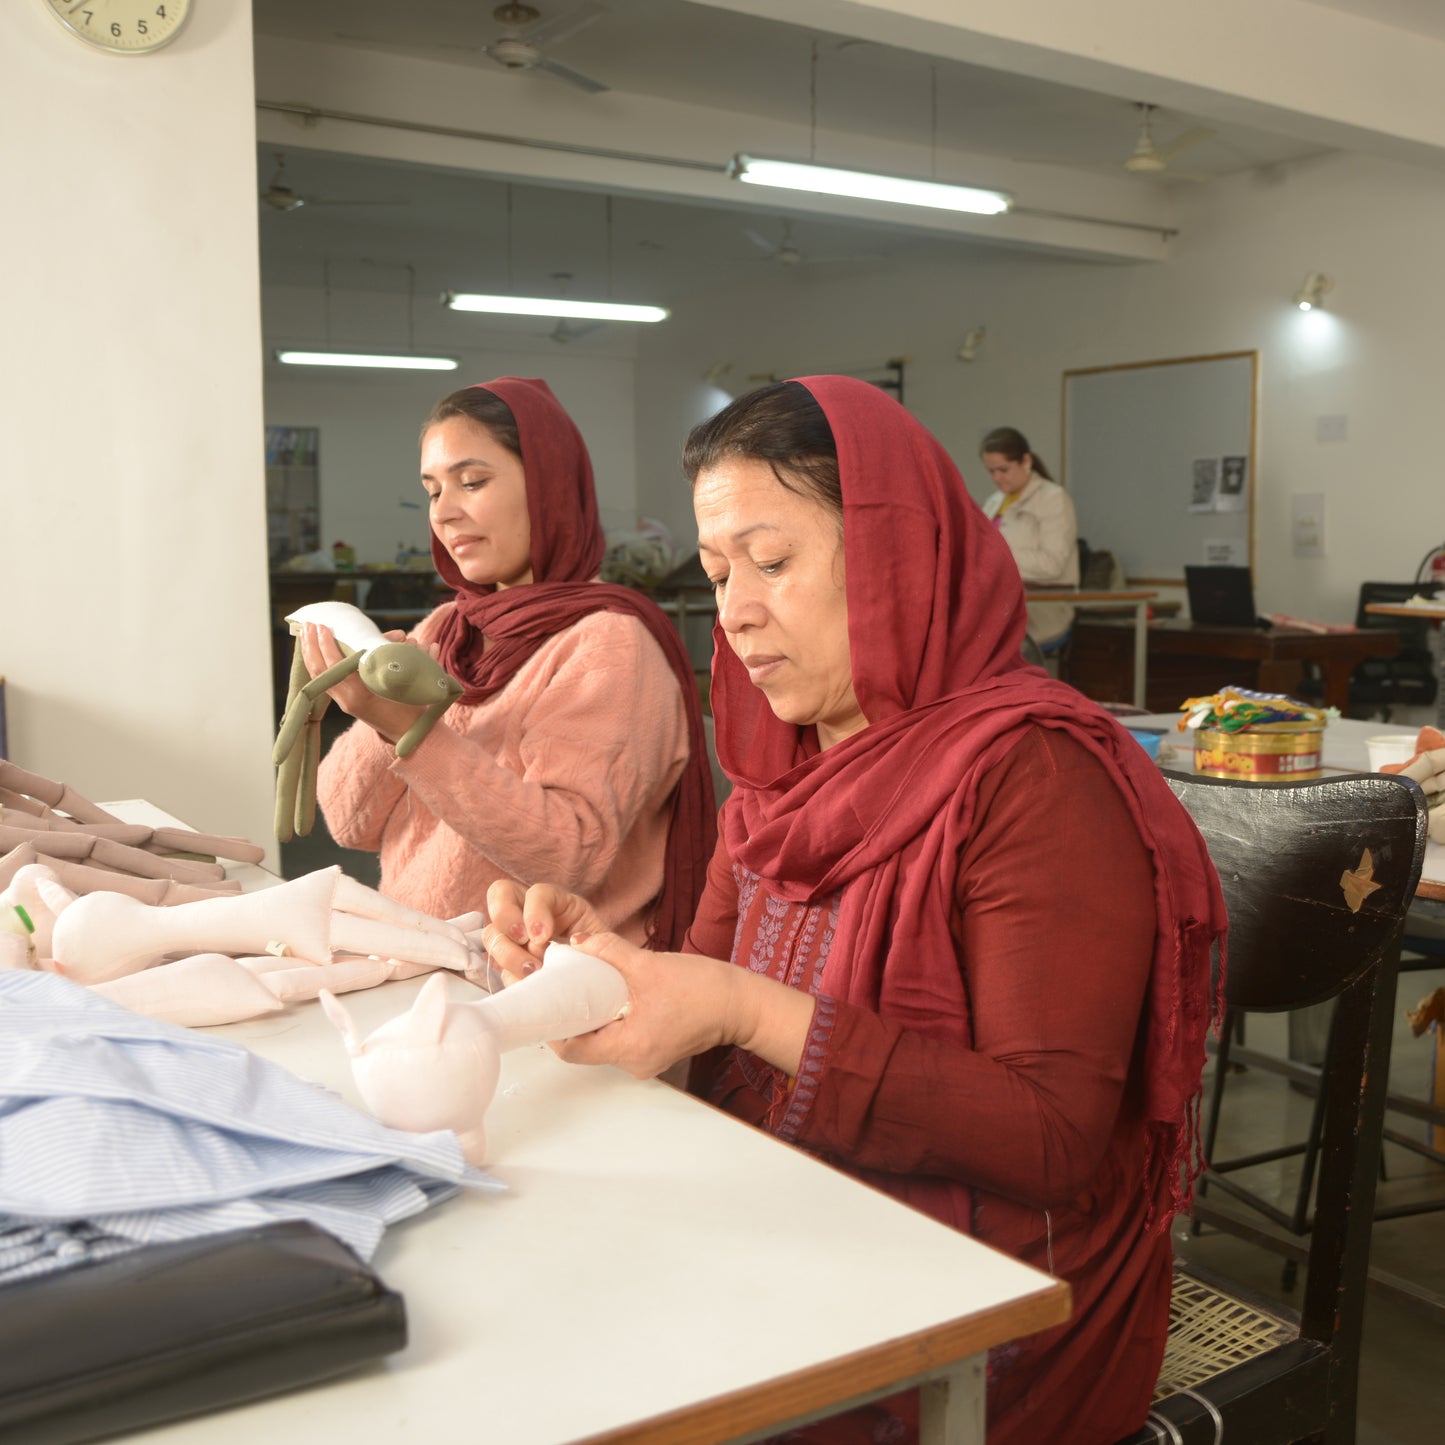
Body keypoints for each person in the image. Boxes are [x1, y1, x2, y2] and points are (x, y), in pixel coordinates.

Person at [482, 378, 1226, 1445]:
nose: (734, 610)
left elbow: (1050, 1137)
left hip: (997, 1281)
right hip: (803, 1202)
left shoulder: (1032, 775)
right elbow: (702, 1016)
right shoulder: (779, 773)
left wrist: (740, 1006)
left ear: (894, 555)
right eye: (717, 573)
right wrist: (597, 974)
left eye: (771, 562)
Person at [307, 377, 715, 947]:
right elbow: (349, 824)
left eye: (472, 482)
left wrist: (412, 733)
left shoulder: (608, 646)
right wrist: (379, 721)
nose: (445, 513)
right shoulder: (447, 630)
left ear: (549, 488)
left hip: (544, 980)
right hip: (423, 957)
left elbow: (570, 857)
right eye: (432, 491)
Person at [979, 425, 1079, 648]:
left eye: (1003, 470)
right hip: (998, 604)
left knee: (980, 649)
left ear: (1025, 461)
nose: (996, 478)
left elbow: (1052, 564)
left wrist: (998, 557)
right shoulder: (994, 501)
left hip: (1041, 609)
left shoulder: (1054, 498)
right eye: (991, 471)